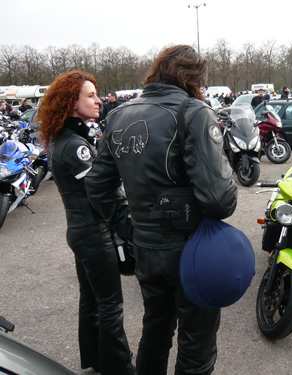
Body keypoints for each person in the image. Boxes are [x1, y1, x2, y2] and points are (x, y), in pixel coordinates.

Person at [85, 45, 238, 375]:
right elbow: (220, 200)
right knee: (196, 346)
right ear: (194, 77)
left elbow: (97, 185)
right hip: (192, 250)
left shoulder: (118, 114)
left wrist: (129, 227)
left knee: (155, 331)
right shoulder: (194, 112)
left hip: (147, 248)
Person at [37, 71, 135, 375]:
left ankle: (95, 362)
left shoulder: (64, 138)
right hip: (93, 234)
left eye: (96, 94)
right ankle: (121, 369)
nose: (98, 100)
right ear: (71, 101)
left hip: (81, 232)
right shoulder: (75, 145)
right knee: (110, 305)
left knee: (91, 301)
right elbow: (101, 191)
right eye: (90, 95)